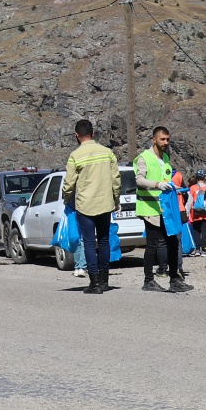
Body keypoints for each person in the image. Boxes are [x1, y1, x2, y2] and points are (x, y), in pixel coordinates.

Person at [62, 118, 121, 295]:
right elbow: (116, 179)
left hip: (85, 205)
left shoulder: (75, 156)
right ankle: (104, 280)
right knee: (104, 241)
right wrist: (115, 199)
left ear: (76, 135)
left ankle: (94, 282)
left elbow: (69, 183)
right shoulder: (107, 152)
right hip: (104, 203)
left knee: (88, 242)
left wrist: (66, 199)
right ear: (93, 133)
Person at [134, 126, 191, 292]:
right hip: (149, 207)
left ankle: (174, 279)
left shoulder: (166, 158)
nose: (166, 142)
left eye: (167, 139)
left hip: (166, 208)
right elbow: (139, 180)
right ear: (154, 140)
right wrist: (158, 185)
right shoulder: (143, 157)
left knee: (172, 242)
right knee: (152, 244)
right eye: (162, 139)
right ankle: (148, 280)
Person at [186, 171, 206, 255]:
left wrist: (187, 212)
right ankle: (203, 249)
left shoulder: (192, 188)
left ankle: (197, 249)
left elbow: (189, 201)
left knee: (196, 231)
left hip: (195, 213)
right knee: (204, 231)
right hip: (205, 213)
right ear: (204, 178)